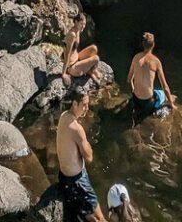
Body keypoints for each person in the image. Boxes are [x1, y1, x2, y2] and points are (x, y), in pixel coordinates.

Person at [56, 89, 107, 222]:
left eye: (87, 104)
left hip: (63, 177)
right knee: (99, 217)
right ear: (74, 103)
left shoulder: (63, 116)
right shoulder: (77, 129)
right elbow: (89, 158)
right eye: (83, 105)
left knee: (82, 213)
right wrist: (87, 145)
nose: (86, 108)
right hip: (78, 181)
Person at [127, 32, 175, 116]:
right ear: (153, 45)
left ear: (143, 44)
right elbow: (165, 86)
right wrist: (171, 104)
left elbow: (129, 80)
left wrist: (134, 92)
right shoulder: (156, 61)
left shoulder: (136, 58)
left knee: (156, 91)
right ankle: (170, 100)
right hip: (148, 102)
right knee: (163, 93)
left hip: (136, 99)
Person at [63, 12, 101, 83]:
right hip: (72, 67)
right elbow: (67, 54)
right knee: (96, 58)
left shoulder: (78, 31)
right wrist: (64, 74)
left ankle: (92, 70)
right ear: (76, 22)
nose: (83, 26)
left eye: (84, 24)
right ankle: (90, 71)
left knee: (94, 48)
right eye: (81, 24)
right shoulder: (72, 35)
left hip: (77, 58)